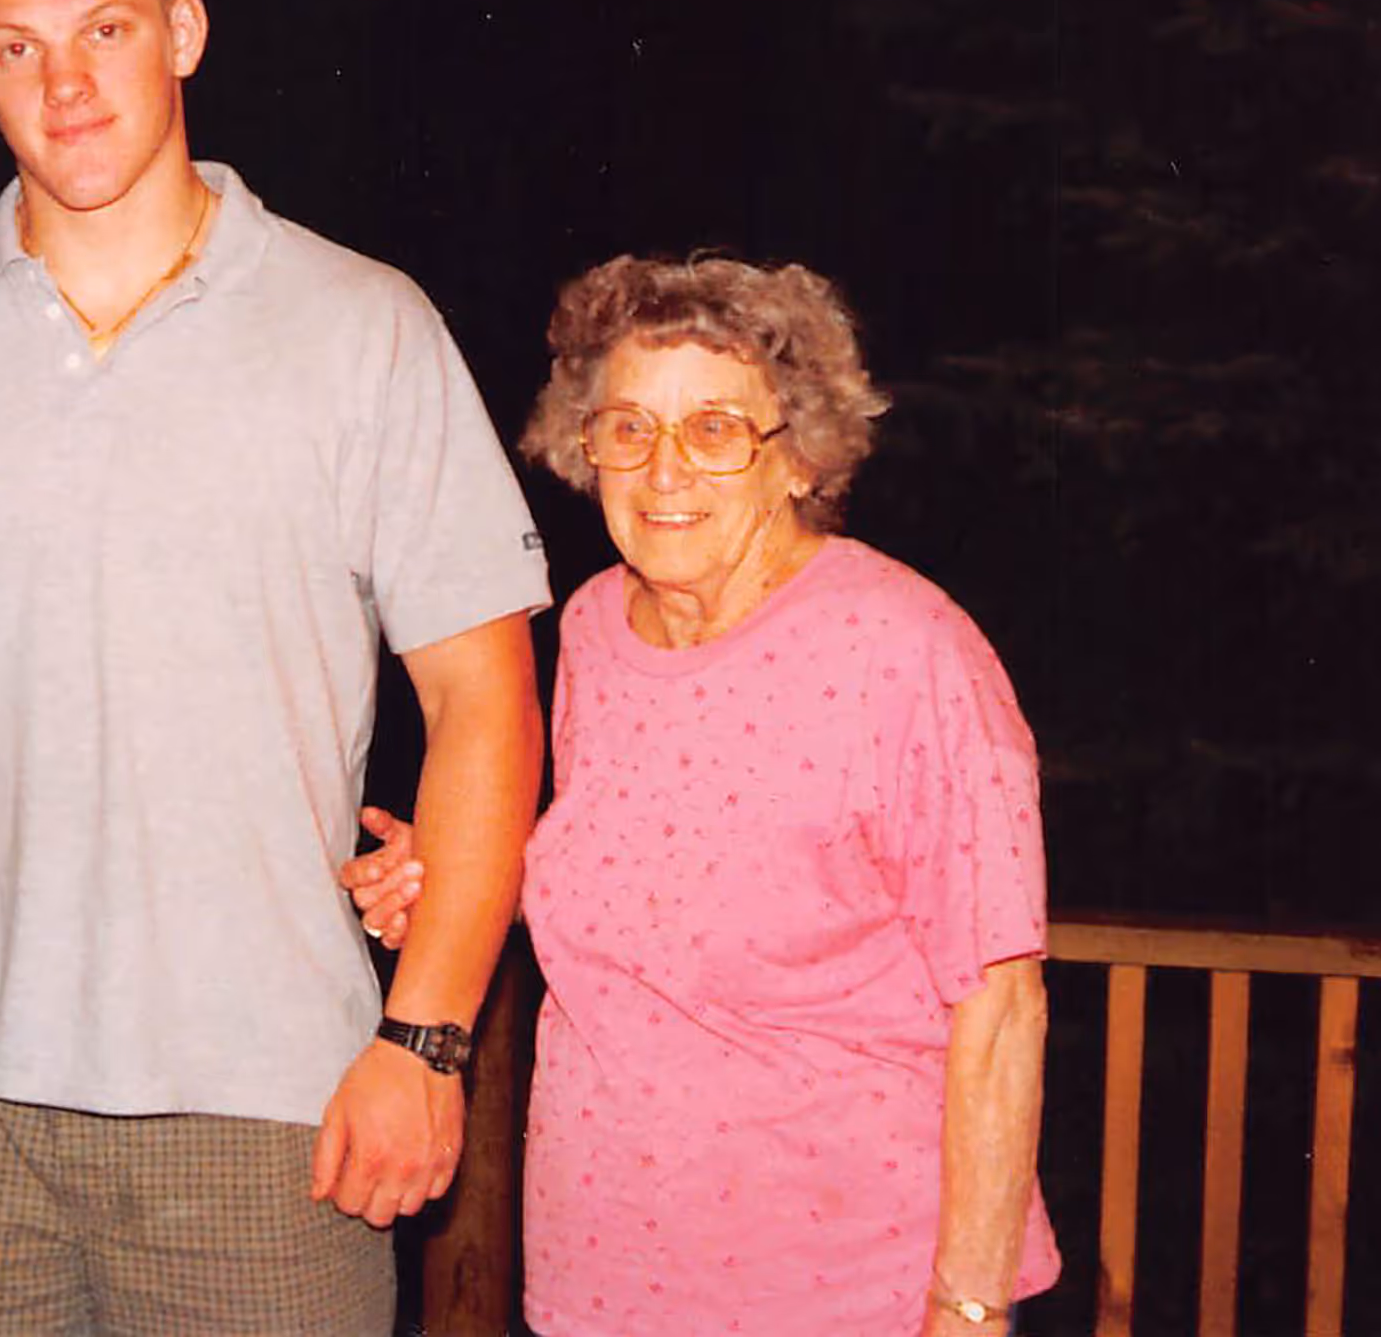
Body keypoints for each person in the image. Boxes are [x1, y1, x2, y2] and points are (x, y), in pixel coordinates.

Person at [0, 0, 551, 1335]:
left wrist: (429, 1038)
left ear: (184, 31)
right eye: (17, 47)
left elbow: (484, 701)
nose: (65, 88)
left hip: (272, 1109)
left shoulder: (363, 330)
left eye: (105, 32)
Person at [347, 254, 1060, 1335]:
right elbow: (645, 878)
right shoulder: (593, 628)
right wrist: (448, 876)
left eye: (717, 430)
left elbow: (1002, 1005)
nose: (664, 469)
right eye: (628, 427)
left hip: (853, 1290)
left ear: (798, 457)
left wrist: (966, 1307)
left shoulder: (905, 650)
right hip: (604, 1284)